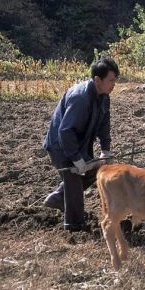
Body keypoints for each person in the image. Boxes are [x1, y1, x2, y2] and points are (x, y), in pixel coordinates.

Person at [42, 57, 119, 231]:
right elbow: (65, 131)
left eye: (115, 80)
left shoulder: (104, 97)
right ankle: (74, 227)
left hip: (80, 145)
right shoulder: (80, 98)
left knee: (98, 170)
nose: (114, 84)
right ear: (97, 80)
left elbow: (104, 125)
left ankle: (58, 198)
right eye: (111, 81)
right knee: (75, 181)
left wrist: (105, 151)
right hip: (61, 147)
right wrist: (76, 159)